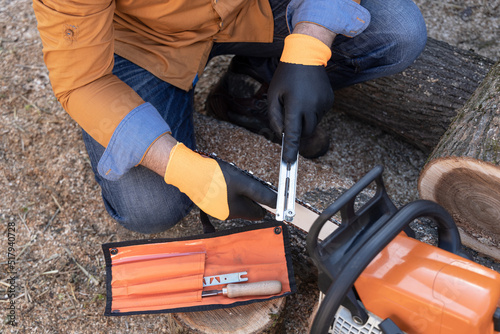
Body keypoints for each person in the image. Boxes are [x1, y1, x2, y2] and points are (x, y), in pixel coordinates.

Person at [33, 0, 427, 234]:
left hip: (249, 8)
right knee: (149, 206)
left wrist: (311, 42)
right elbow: (83, 80)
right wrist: (185, 169)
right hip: (142, 42)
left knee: (396, 31)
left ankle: (252, 86)